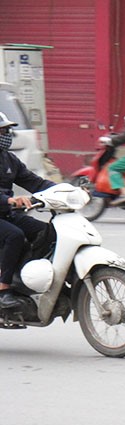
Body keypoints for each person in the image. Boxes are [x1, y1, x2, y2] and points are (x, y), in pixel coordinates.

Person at [0, 112, 56, 309]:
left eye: (7, 130)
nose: (7, 134)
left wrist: (65, 190)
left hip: (6, 212)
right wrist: (10, 200)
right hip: (5, 208)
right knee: (14, 235)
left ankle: (22, 277)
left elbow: (35, 182)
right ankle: (3, 288)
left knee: (48, 232)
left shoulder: (9, 159)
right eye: (2, 131)